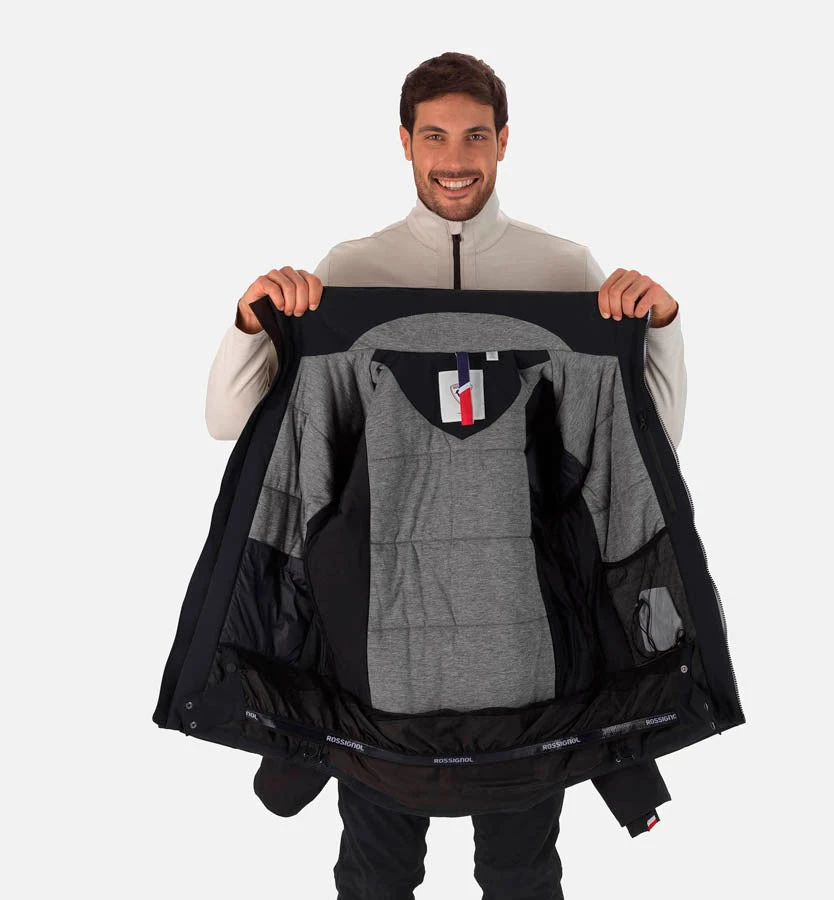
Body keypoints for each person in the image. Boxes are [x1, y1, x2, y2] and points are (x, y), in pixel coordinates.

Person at [205, 51, 686, 900]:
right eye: (434, 136)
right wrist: (252, 324)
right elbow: (233, 423)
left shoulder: (563, 269)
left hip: (524, 653)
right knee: (376, 878)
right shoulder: (349, 270)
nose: (454, 158)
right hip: (378, 654)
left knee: (520, 877)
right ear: (404, 142)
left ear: (504, 142)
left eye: (474, 136)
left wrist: (660, 326)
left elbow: (647, 442)